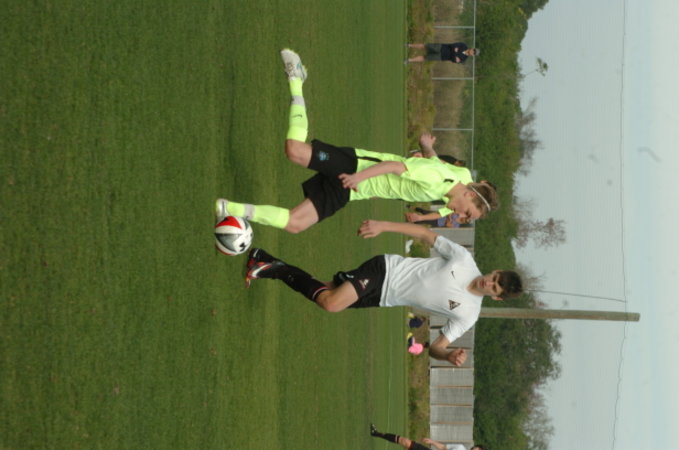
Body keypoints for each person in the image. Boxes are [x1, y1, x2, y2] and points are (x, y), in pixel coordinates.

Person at [215, 49, 497, 234]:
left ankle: (229, 210)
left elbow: (435, 165)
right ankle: (296, 81)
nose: (461, 216)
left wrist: (428, 147)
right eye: (467, 213)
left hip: (354, 190)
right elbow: (394, 166)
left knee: (296, 224)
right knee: (294, 151)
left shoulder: (459, 179)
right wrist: (358, 176)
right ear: (469, 195)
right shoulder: (436, 180)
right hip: (355, 166)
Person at [243, 220, 523, 366]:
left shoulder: (469, 314)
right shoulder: (463, 259)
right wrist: (383, 226)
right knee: (331, 303)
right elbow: (424, 234)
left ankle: (263, 262)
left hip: (382, 297)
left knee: (325, 291)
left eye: (495, 287)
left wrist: (447, 356)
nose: (489, 282)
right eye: (494, 277)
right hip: (385, 269)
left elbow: (437, 347)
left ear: (497, 297)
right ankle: (272, 268)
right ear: (495, 270)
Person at [370, 423, 485, 450]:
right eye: (478, 449)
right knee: (405, 441)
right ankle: (376, 433)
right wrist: (432, 442)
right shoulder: (460, 447)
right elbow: (443, 447)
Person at [406, 42, 479, 64]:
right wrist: (455, 54)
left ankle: (409, 60)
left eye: (474, 53)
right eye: (474, 50)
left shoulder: (464, 59)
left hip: (441, 57)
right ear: (472, 48)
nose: (472, 52)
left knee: (425, 58)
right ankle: (409, 45)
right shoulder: (463, 45)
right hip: (441, 47)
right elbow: (453, 46)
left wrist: (455, 51)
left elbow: (453, 60)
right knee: (425, 46)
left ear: (473, 55)